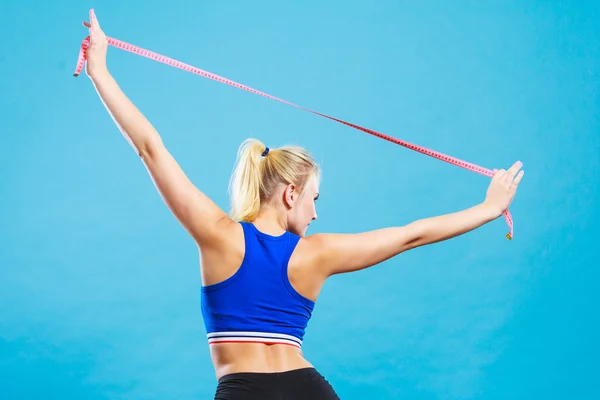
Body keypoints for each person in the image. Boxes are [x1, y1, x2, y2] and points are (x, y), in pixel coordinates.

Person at [83, 9, 524, 400]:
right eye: (313, 198)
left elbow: (150, 148)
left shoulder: (218, 235)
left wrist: (100, 71)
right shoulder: (317, 254)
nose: (315, 212)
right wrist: (488, 208)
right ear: (291, 193)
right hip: (306, 387)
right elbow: (411, 236)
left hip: (243, 390)